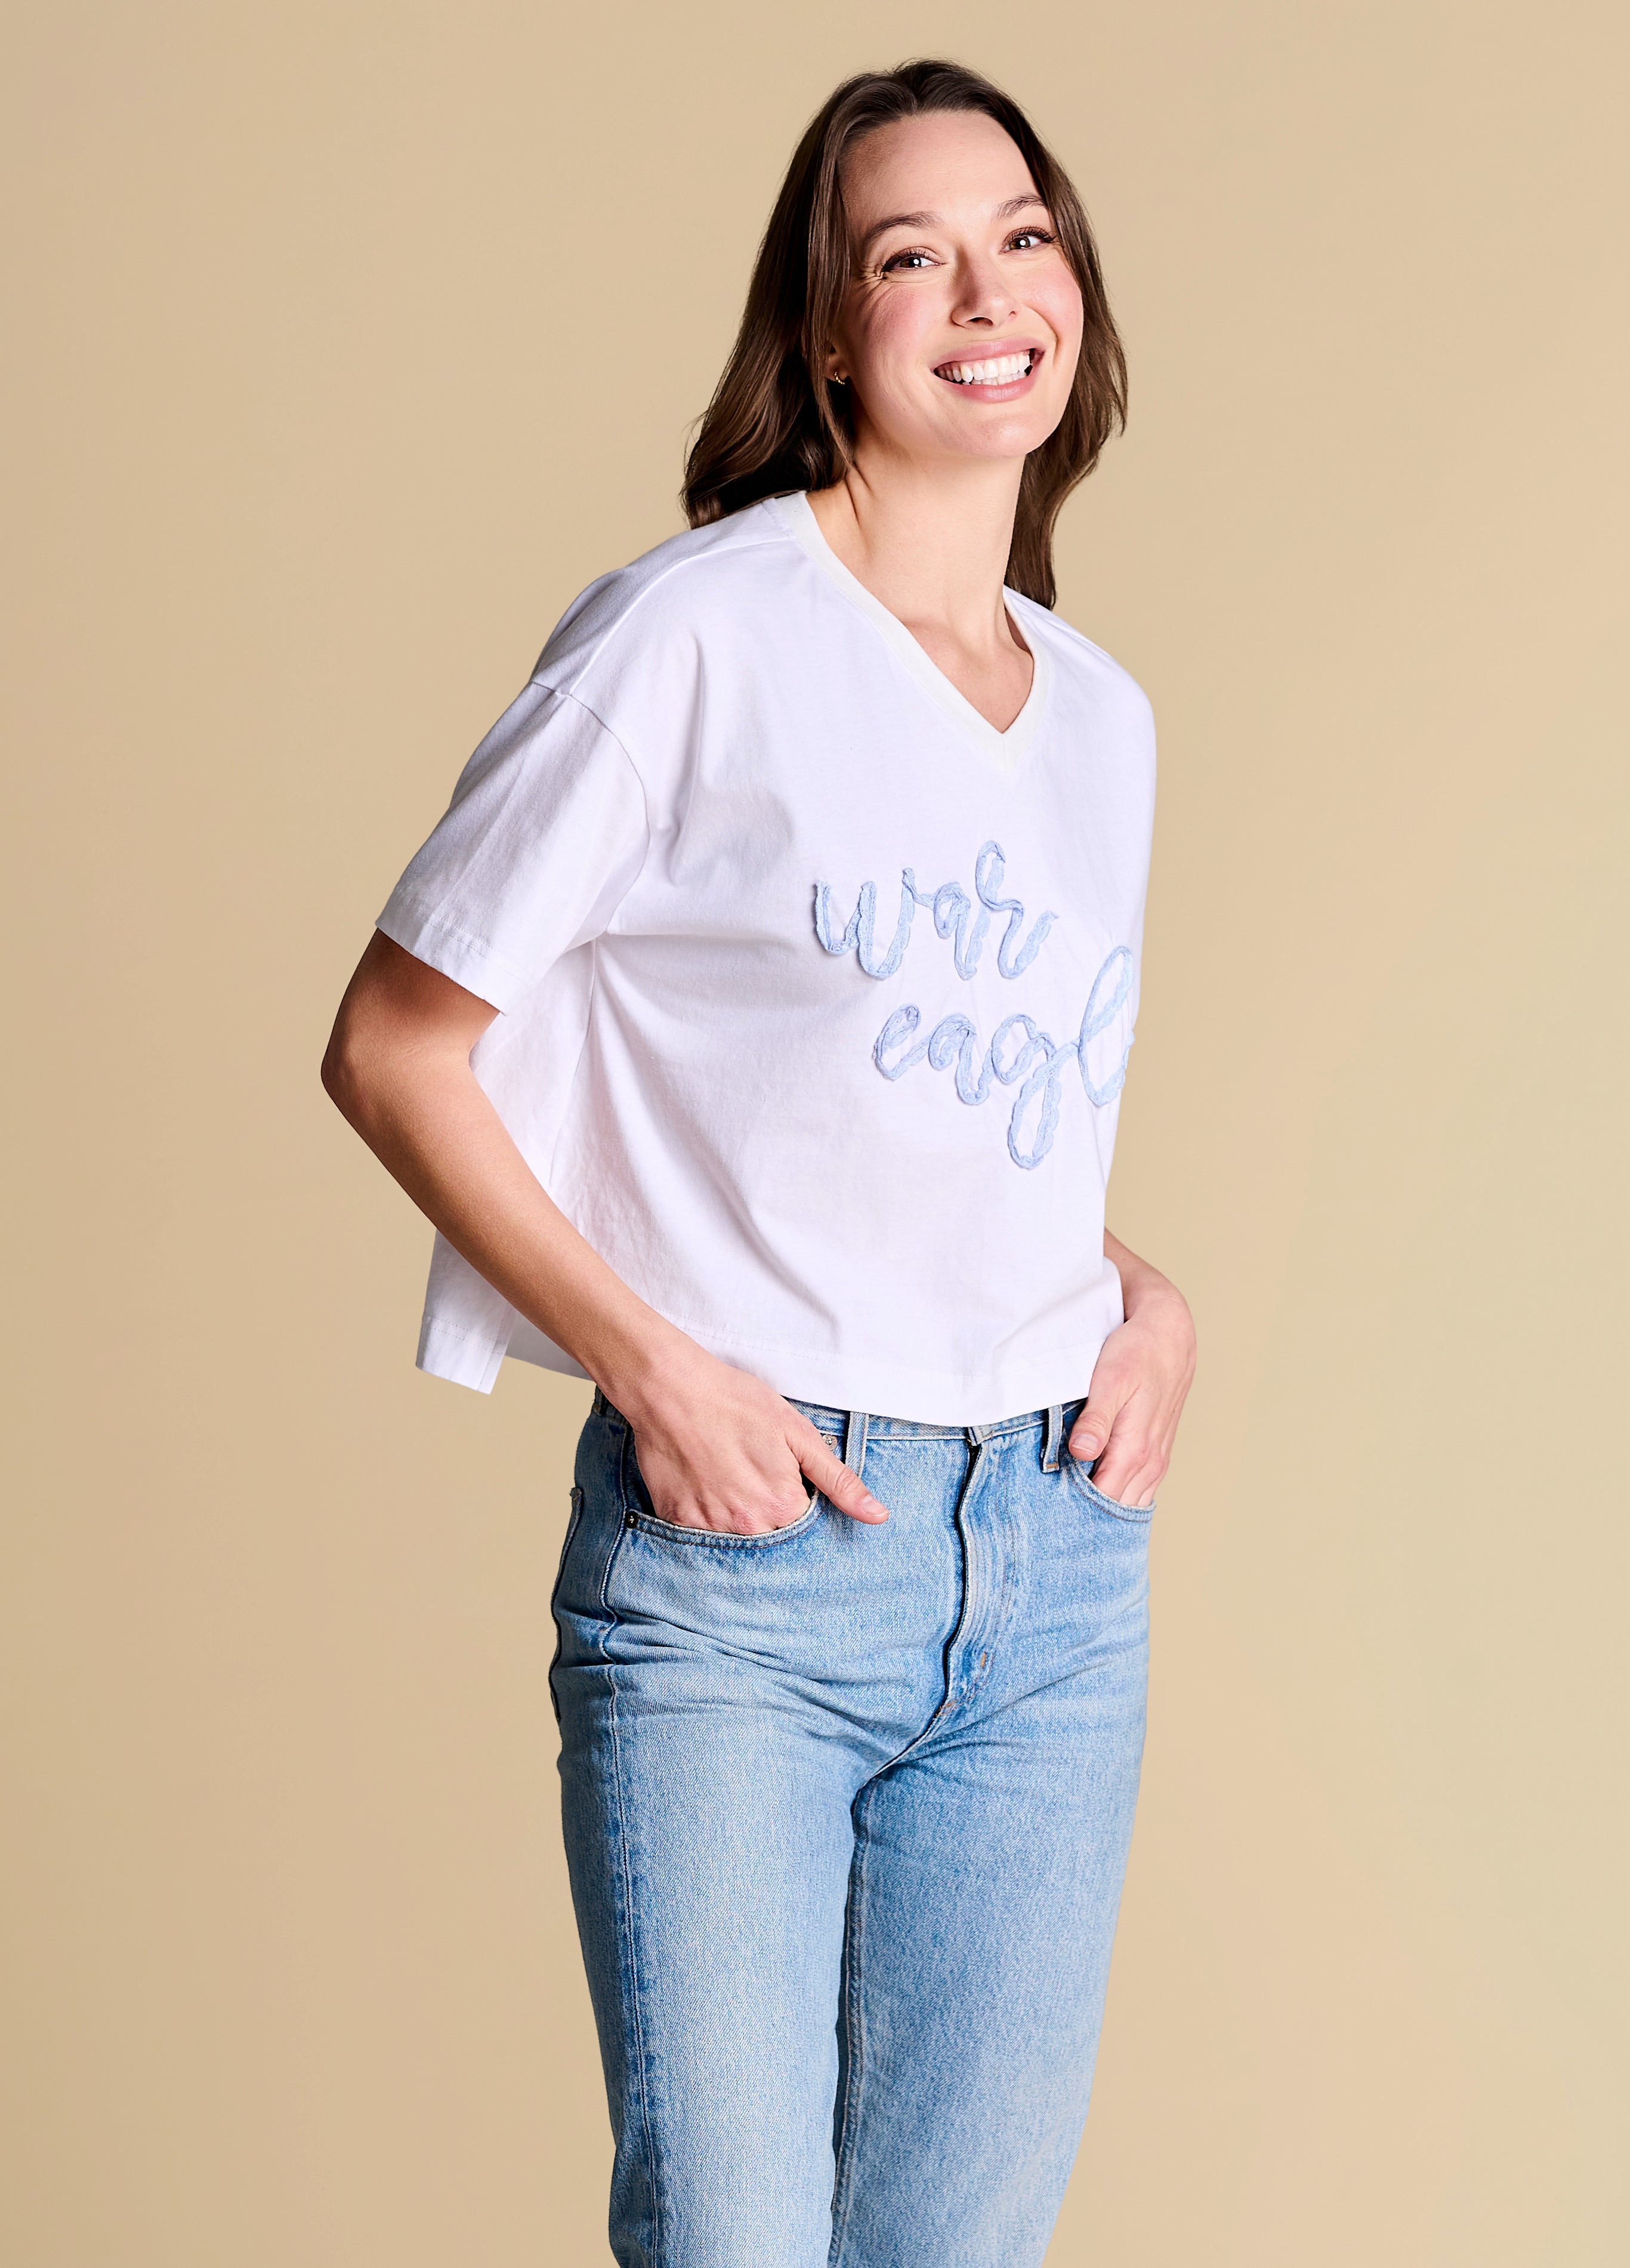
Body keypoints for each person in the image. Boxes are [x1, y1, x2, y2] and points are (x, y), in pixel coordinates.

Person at [322, 56, 1197, 2268]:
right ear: (824, 334)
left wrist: (1138, 1290)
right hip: (751, 1576)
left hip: (1052, 1575)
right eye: (911, 255)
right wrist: (652, 1365)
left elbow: (923, 1106)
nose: (986, 294)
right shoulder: (693, 635)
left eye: (1022, 237)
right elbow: (398, 1045)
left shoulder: (1099, 718)